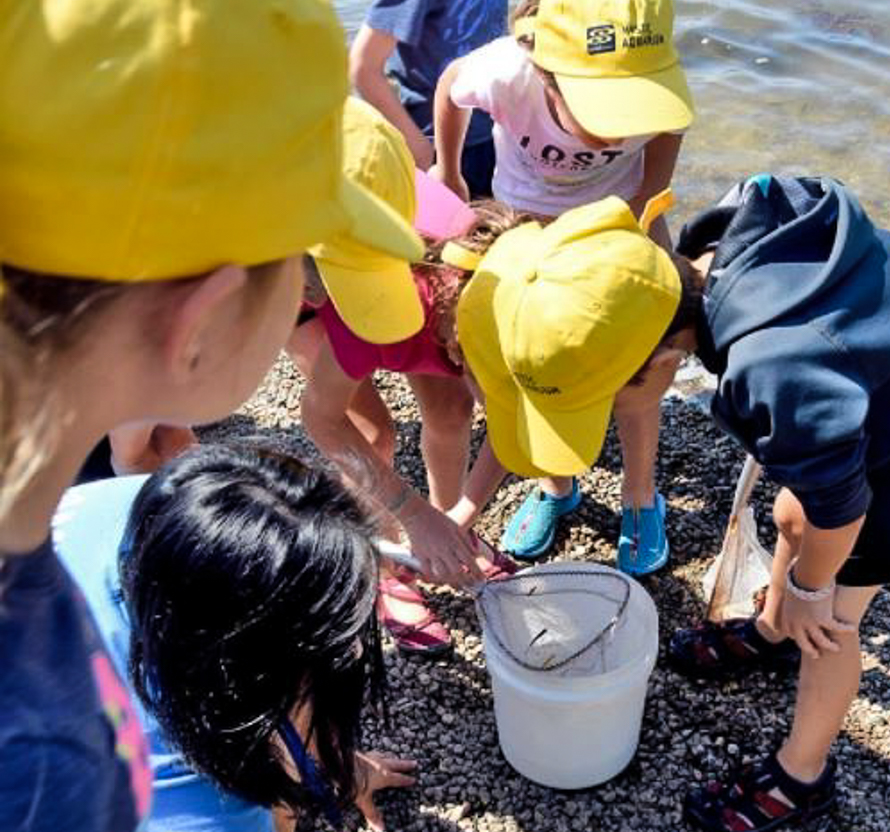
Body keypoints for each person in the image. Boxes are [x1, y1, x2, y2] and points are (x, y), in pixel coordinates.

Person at [454, 176, 890, 831]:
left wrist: (810, 584)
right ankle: (771, 633)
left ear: (659, 368)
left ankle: (803, 776)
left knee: (834, 618)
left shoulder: (770, 371)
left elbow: (843, 505)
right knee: (788, 514)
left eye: (599, 405)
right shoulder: (701, 255)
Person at [0, 1, 422, 829]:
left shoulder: (74, 519)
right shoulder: (47, 763)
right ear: (200, 321)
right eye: (303, 275)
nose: (310, 304)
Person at [431, 0, 695, 573]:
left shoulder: (652, 80)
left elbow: (665, 148)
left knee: (640, 371)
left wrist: (643, 226)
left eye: (633, 99)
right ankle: (557, 485)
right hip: (522, 226)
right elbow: (452, 86)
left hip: (620, 221)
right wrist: (448, 170)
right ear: (542, 70)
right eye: (605, 101)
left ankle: (640, 494)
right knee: (531, 362)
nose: (623, 123)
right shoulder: (505, 71)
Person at [55, 444, 417, 832]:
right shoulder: (195, 807)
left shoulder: (162, 507)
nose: (356, 647)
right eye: (330, 644)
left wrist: (335, 765)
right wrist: (293, 788)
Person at [285, 98, 515, 656]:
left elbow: (515, 425)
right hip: (305, 270)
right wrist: (411, 514)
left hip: (386, 248)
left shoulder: (483, 270)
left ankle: (441, 545)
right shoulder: (366, 321)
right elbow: (319, 419)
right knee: (371, 437)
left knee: (452, 411)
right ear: (458, 348)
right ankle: (385, 562)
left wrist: (454, 517)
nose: (497, 398)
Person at [349, 0, 507, 196]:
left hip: (497, 134)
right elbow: (364, 68)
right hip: (443, 148)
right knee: (457, 223)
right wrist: (417, 146)